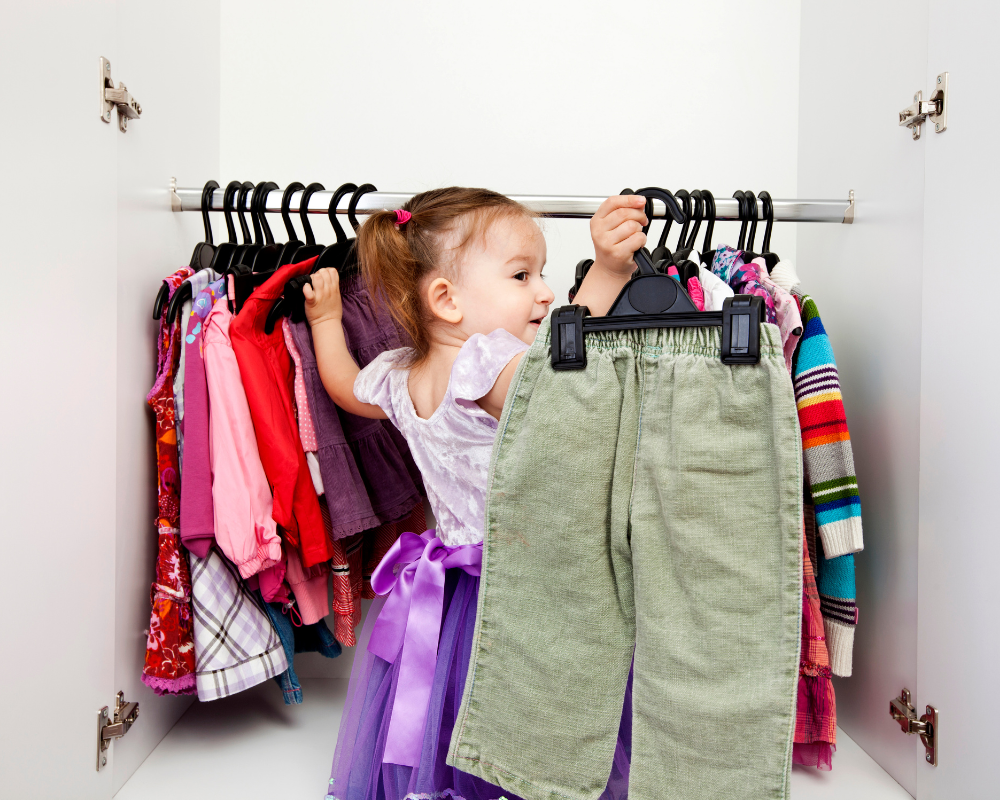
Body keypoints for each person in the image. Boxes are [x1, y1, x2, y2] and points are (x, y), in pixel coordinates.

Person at [307, 188, 648, 800]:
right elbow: (560, 369)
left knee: (453, 707)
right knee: (533, 718)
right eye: (523, 275)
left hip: (450, 592)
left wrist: (325, 322)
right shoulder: (487, 363)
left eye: (542, 274)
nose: (545, 292)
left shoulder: (396, 372)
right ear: (446, 299)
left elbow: (339, 385)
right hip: (522, 586)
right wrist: (606, 270)